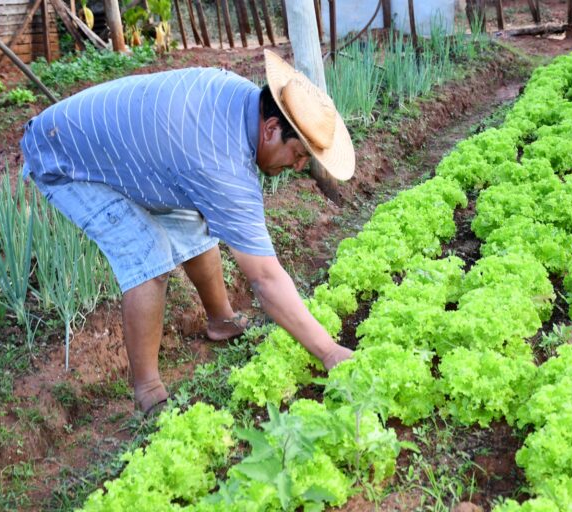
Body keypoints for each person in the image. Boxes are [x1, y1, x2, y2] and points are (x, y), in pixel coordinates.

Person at [20, 49, 355, 415]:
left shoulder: (241, 100)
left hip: (120, 153)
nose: (299, 166)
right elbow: (264, 278)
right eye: (300, 153)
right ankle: (147, 390)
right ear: (272, 129)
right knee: (148, 253)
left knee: (192, 219)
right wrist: (329, 351)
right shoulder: (220, 159)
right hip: (63, 158)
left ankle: (221, 320)